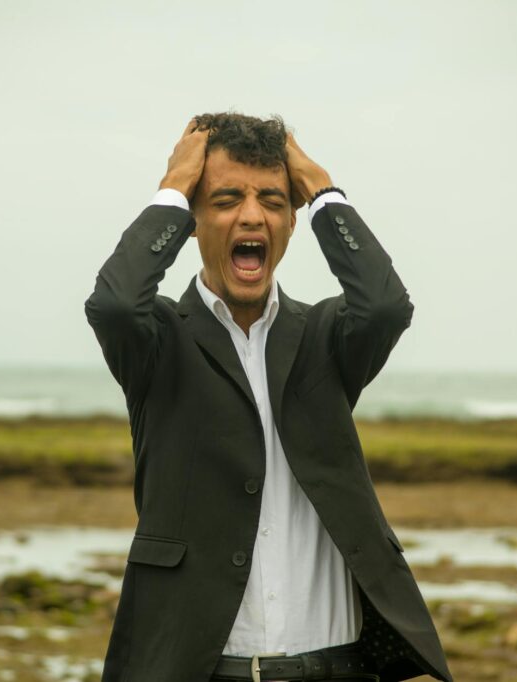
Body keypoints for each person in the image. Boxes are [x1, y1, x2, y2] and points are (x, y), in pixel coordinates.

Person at [85, 112, 452, 682]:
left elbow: (384, 307)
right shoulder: (157, 341)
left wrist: (322, 189)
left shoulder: (326, 337)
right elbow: (113, 304)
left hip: (342, 669)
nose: (252, 215)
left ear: (291, 222)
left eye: (273, 201)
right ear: (194, 220)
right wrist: (174, 188)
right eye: (226, 198)